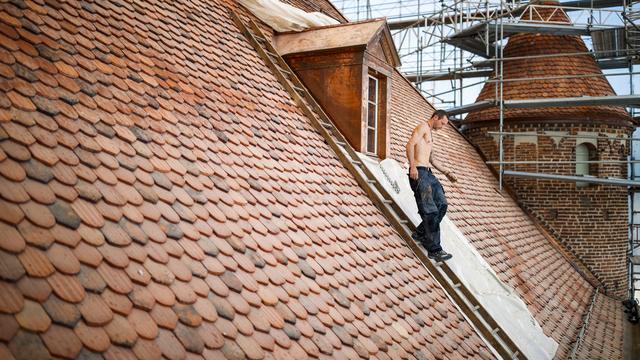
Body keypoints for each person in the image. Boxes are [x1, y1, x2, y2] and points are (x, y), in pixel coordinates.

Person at [406, 109, 457, 262]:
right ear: (435, 117)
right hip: (420, 173)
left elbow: (432, 159)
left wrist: (447, 172)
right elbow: (409, 145)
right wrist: (412, 167)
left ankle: (420, 233)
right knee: (430, 211)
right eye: (442, 123)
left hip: (429, 174)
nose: (443, 126)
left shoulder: (430, 133)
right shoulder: (422, 127)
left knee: (442, 204)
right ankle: (435, 250)